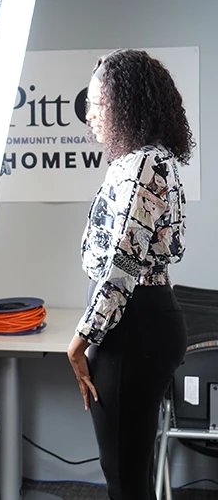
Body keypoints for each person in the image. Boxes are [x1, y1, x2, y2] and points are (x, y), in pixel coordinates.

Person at [67, 49, 194, 499]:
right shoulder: (144, 161)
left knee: (123, 475)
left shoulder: (144, 163)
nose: (92, 117)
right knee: (126, 469)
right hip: (136, 321)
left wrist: (82, 338)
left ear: (128, 106)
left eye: (99, 105)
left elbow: (123, 261)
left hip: (133, 324)